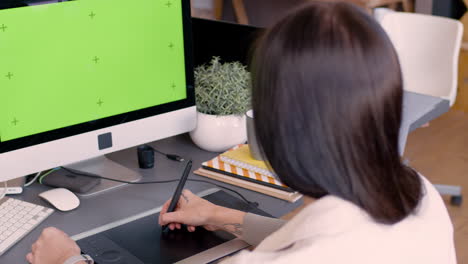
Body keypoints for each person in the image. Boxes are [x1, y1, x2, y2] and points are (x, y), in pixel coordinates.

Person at [26, 2, 456, 263]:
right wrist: (226, 217)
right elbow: (326, 244)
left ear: (276, 127)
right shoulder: (418, 194)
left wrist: (69, 260)